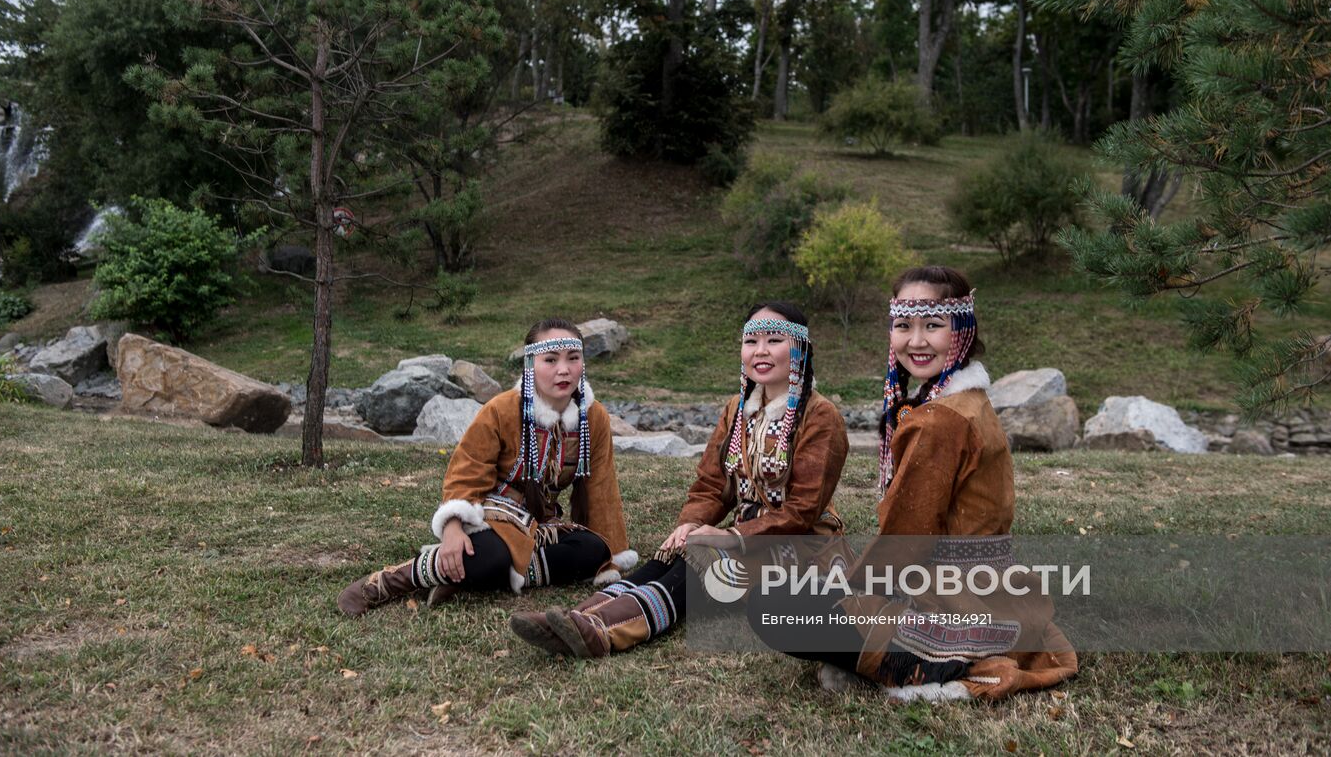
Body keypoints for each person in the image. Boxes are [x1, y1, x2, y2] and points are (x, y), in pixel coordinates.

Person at [755, 266, 1078, 701]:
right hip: (992, 591)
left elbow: (906, 539)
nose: (916, 340)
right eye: (904, 325)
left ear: (961, 329)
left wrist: (849, 592)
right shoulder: (965, 401)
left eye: (933, 325)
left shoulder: (940, 421)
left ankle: (930, 666)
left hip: (951, 597)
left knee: (775, 605)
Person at [509, 301, 849, 658]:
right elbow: (711, 485)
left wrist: (731, 535)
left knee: (694, 571)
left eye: (774, 340)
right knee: (667, 559)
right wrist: (690, 525)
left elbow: (803, 511)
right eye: (751, 341)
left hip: (802, 546)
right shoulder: (738, 407)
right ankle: (574, 617)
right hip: (748, 536)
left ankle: (601, 632)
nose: (760, 351)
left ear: (800, 349)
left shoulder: (820, 416)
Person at [336, 319, 636, 616]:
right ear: (530, 365)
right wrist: (453, 527)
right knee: (491, 556)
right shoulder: (502, 409)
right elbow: (467, 471)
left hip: (540, 523)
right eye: (551, 360)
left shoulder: (593, 418)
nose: (564, 369)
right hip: (489, 514)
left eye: (573, 358)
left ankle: (472, 575)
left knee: (594, 550)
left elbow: (601, 487)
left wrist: (611, 555)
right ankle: (391, 580)